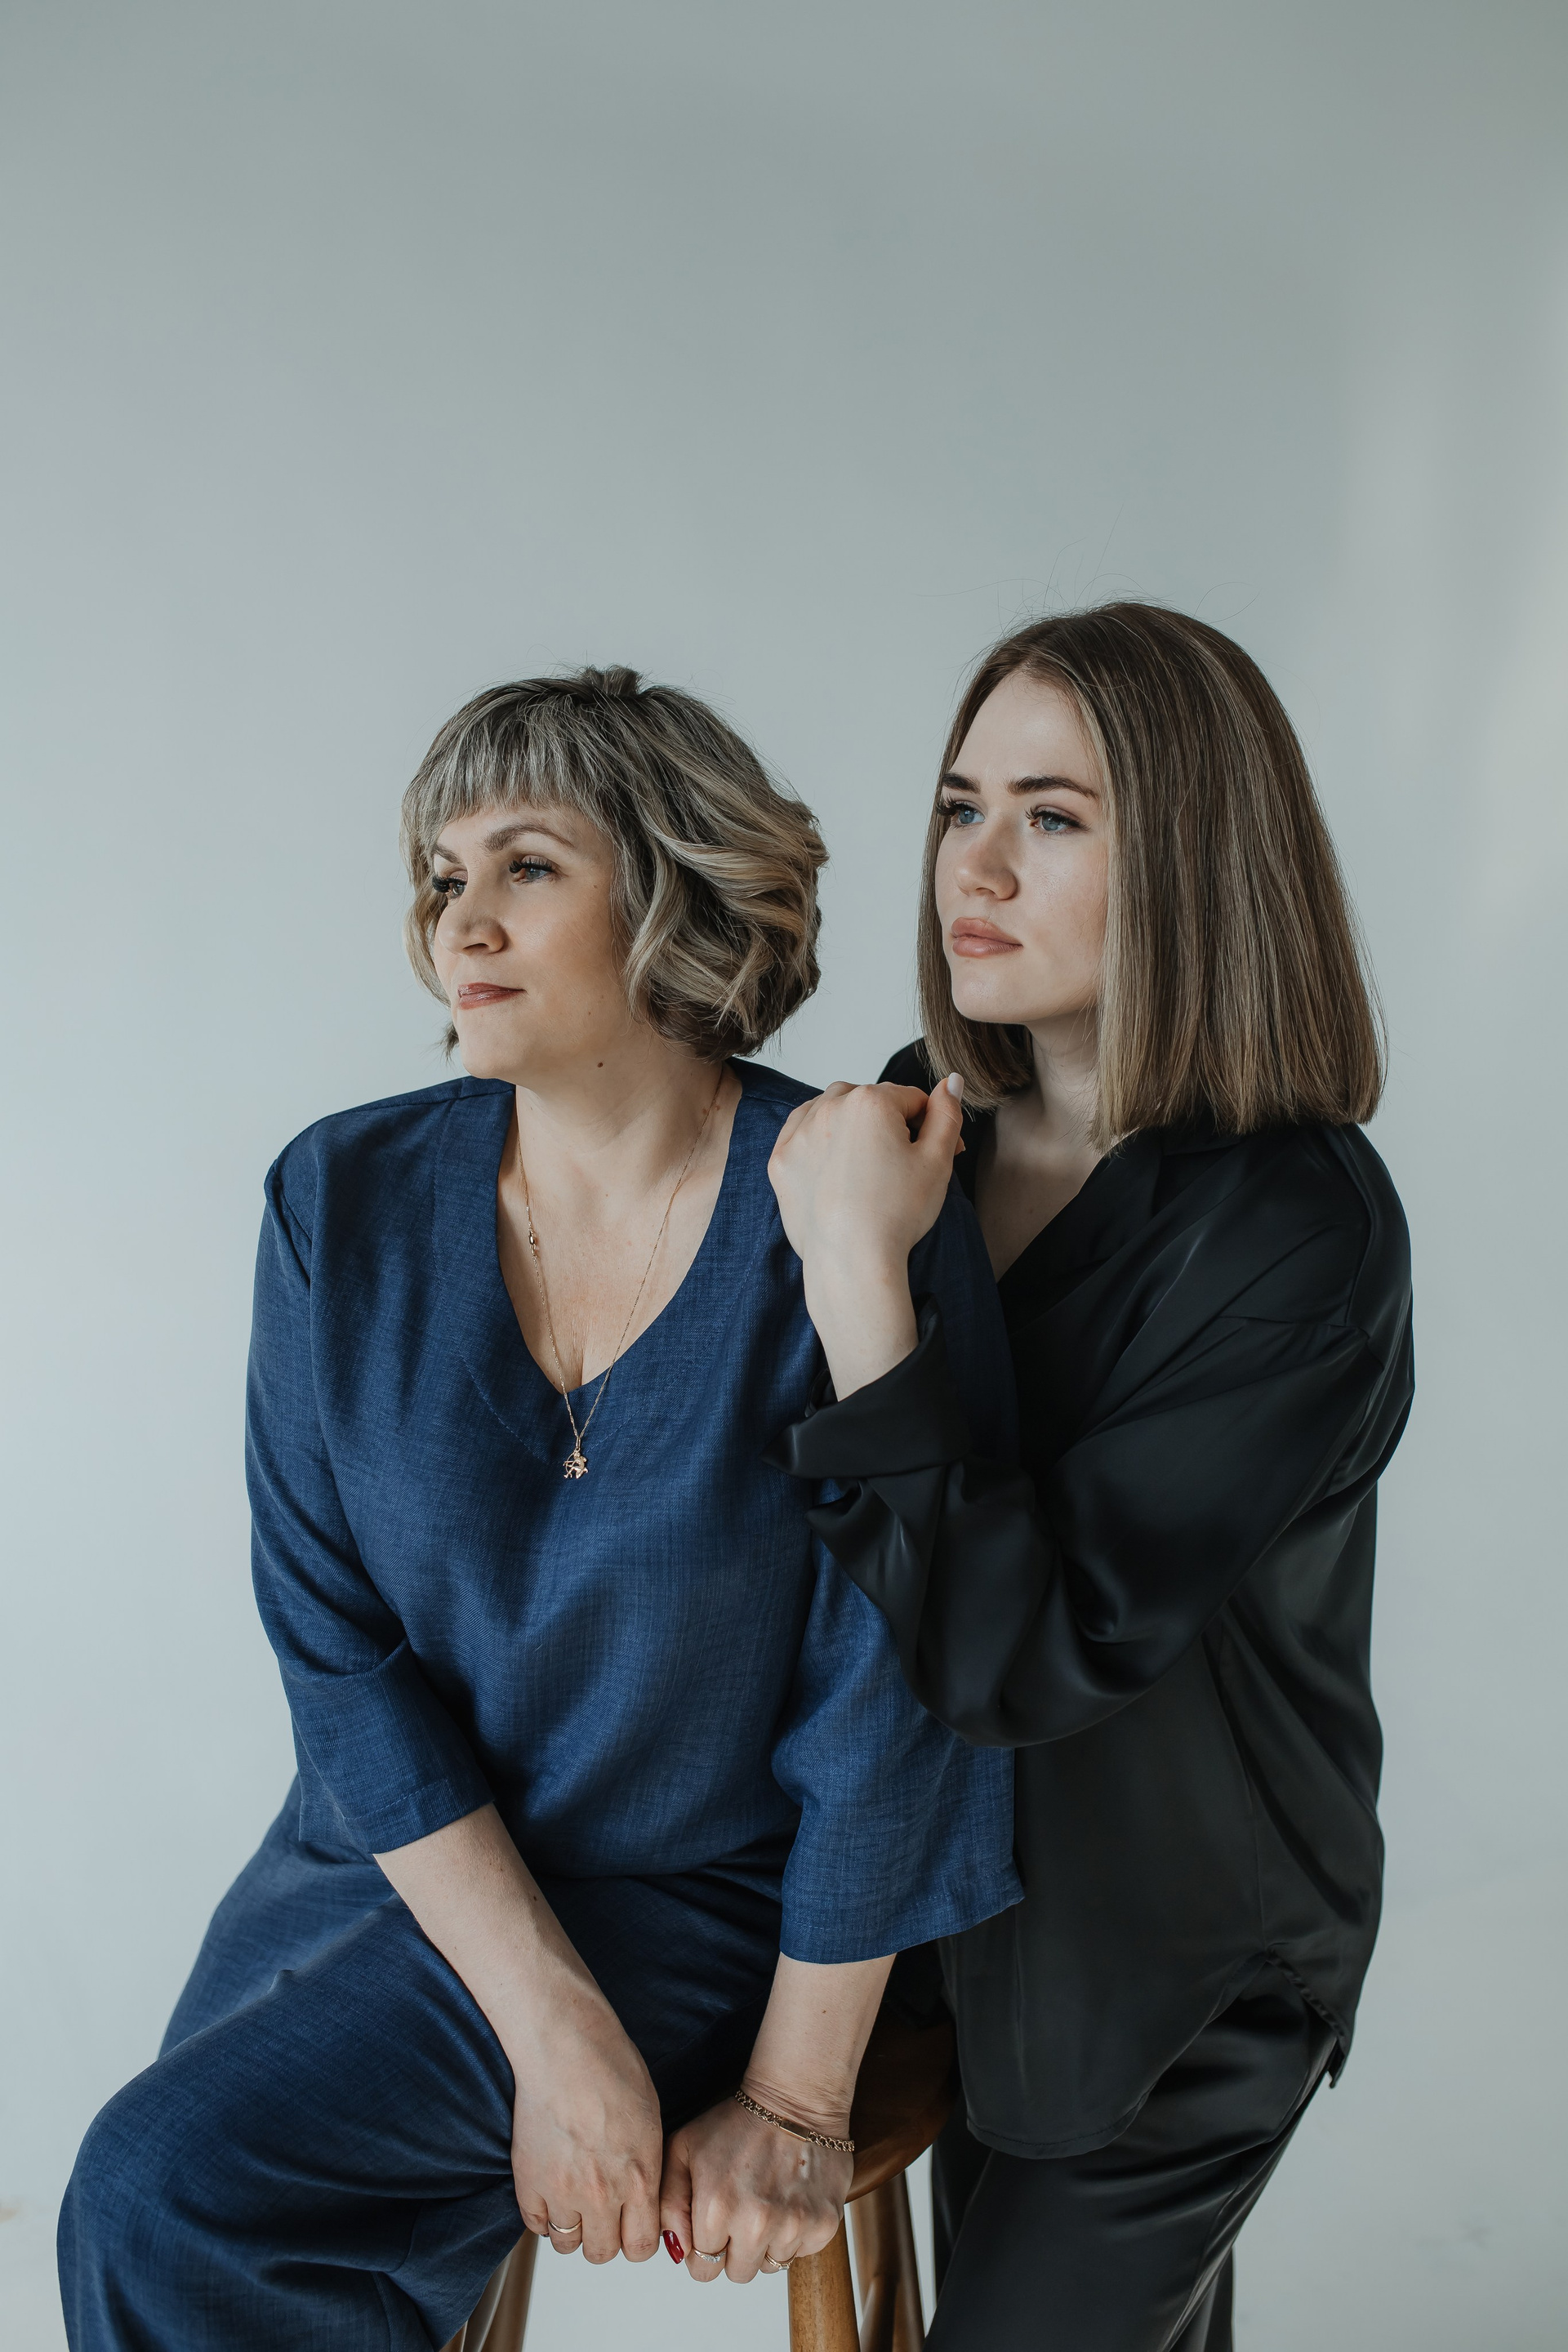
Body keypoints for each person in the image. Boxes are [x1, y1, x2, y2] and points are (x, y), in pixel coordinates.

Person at [60, 667, 1020, 2351]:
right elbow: (336, 1656)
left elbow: (896, 1695)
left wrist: (796, 2097)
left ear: (672, 892)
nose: (463, 923)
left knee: (162, 2192)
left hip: (702, 1904)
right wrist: (550, 2027)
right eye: (445, 876)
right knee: (167, 2199)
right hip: (396, 1871)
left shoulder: (845, 1206)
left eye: (526, 866)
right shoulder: (339, 1200)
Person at [767, 604, 1414, 2352]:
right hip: (964, 1911)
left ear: (1192, 857)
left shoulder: (1295, 1230)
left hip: (1178, 1961)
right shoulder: (927, 1120)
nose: (974, 867)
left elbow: (1018, 1653)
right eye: (960, 805)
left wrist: (857, 1286)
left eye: (1052, 817)